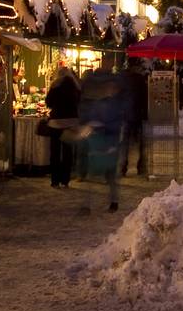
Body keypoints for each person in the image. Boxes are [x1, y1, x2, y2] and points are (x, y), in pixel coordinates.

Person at [77, 65, 131, 212]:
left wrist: (96, 126)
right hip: (102, 142)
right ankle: (94, 204)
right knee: (102, 175)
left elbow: (116, 123)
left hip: (107, 142)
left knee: (107, 175)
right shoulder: (105, 103)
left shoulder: (115, 105)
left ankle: (111, 202)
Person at [44, 66, 82, 188]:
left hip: (56, 123)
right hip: (71, 123)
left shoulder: (55, 86)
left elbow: (48, 103)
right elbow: (80, 103)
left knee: (55, 152)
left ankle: (55, 180)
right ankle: (65, 180)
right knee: (67, 152)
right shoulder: (76, 87)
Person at [126, 63, 150, 176]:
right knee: (141, 142)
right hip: (138, 116)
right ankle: (141, 166)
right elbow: (145, 100)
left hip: (127, 116)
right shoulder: (141, 81)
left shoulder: (125, 81)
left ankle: (124, 166)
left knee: (126, 142)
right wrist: (145, 114)